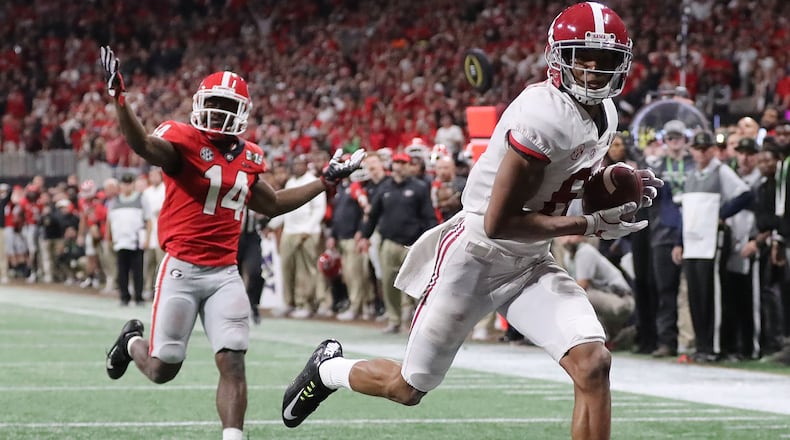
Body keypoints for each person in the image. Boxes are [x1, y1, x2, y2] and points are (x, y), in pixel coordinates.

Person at [281, 4, 662, 440]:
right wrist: (588, 225)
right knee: (408, 388)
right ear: (558, 58)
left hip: (530, 262)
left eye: (606, 60)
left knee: (593, 363)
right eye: (583, 59)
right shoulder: (542, 116)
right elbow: (500, 223)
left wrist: (613, 184)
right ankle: (328, 370)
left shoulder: (607, 113)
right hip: (476, 256)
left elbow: (565, 180)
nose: (594, 73)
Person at [99, 46, 363, 440]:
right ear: (199, 104)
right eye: (213, 103)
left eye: (226, 104)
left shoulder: (249, 156)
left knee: (233, 362)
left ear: (242, 112)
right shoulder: (182, 141)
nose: (218, 111)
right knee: (162, 368)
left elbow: (273, 204)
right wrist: (120, 100)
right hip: (181, 268)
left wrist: (324, 182)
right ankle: (131, 342)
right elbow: (143, 145)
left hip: (224, 273)